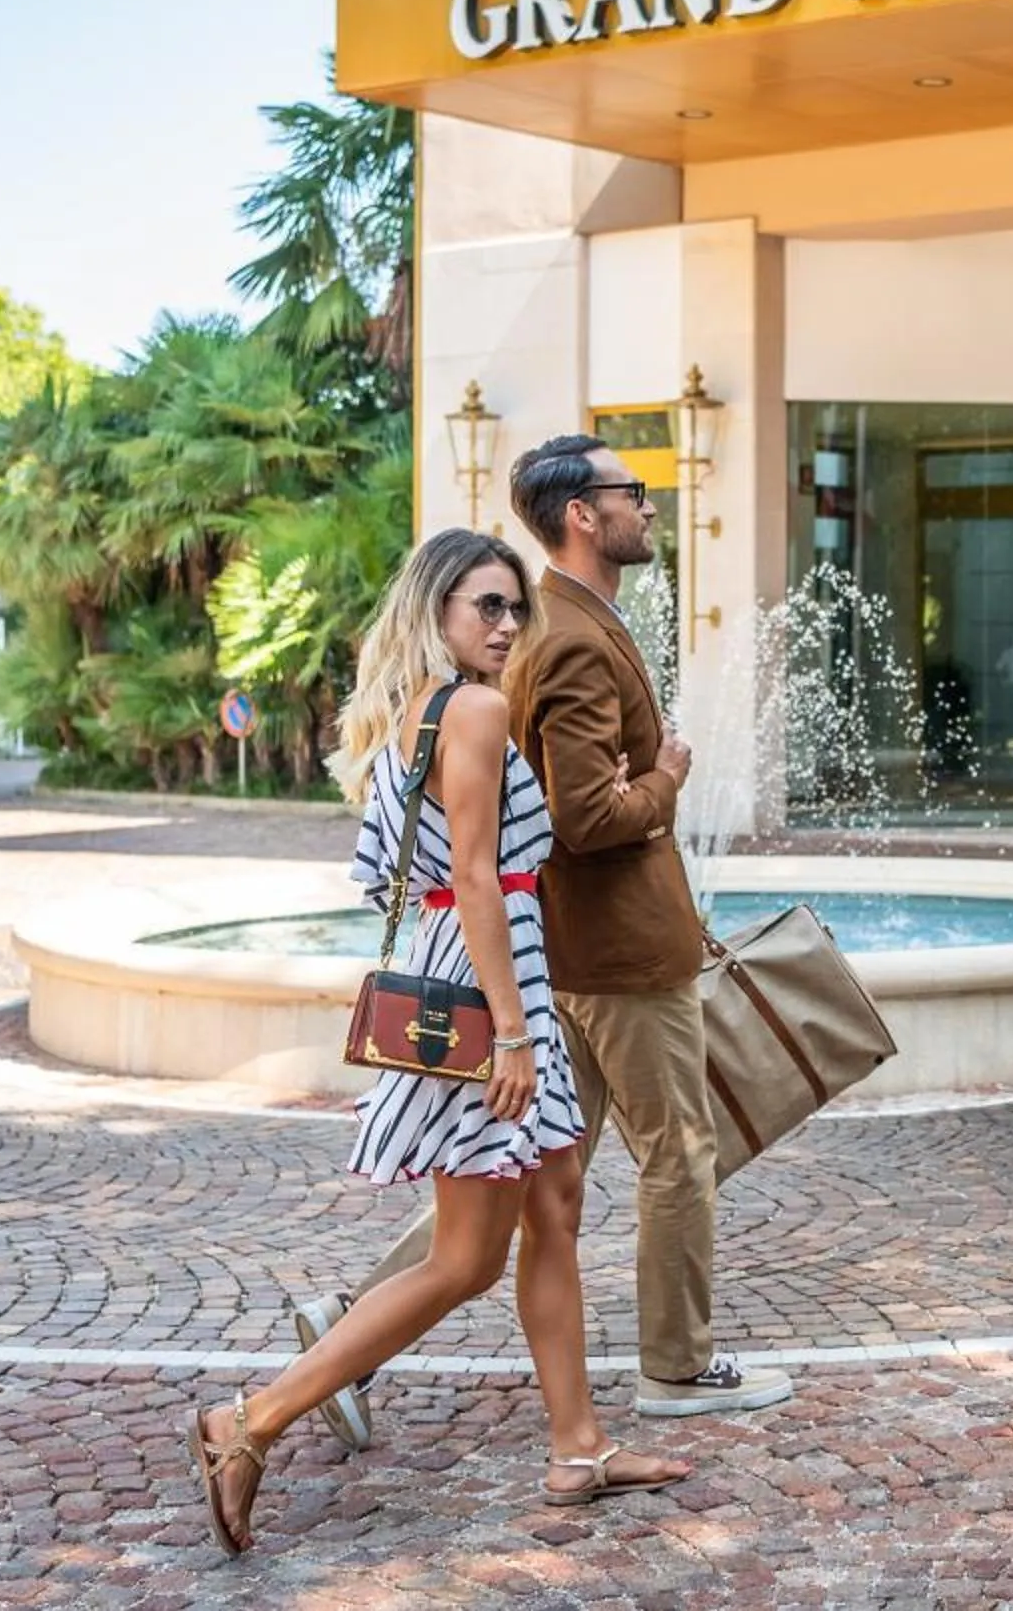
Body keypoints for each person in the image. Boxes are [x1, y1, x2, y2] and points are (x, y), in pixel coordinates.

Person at [183, 529, 688, 1557]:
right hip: (488, 978)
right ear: (437, 613)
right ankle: (249, 1422)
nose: (507, 626)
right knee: (464, 1258)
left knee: (554, 1203)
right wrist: (510, 1031)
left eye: (514, 608)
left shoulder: (416, 708)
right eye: (485, 608)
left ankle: (578, 1446)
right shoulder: (474, 706)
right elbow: (471, 874)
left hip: (476, 964)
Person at [289, 440, 791, 1447]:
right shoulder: (553, 645)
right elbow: (577, 818)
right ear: (580, 513)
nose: (649, 506)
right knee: (671, 1154)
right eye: (632, 493)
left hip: (548, 953)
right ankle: (677, 1368)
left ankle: (379, 1359)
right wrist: (670, 780)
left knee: (529, 1183)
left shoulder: (536, 637)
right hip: (603, 955)